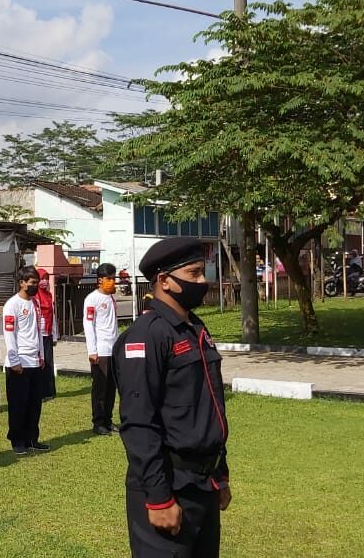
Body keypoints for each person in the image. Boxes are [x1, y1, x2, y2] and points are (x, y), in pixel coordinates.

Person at [114, 237, 231, 558]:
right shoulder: (146, 335)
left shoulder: (194, 328)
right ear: (164, 280)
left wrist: (221, 473)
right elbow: (139, 422)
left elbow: (209, 409)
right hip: (169, 485)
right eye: (193, 273)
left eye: (202, 272)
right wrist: (159, 497)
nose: (202, 281)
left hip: (203, 482)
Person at [3, 266, 48, 455]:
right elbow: (9, 333)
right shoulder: (12, 305)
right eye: (32, 283)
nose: (35, 286)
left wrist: (42, 356)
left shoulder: (35, 303)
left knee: (34, 404)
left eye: (36, 283)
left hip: (34, 361)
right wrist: (14, 361)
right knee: (18, 405)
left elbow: (38, 331)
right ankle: (17, 440)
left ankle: (32, 438)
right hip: (19, 362)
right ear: (22, 283)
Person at [83, 263, 119, 436]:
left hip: (113, 349)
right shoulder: (92, 299)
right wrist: (92, 350)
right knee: (100, 388)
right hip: (101, 350)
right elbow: (89, 325)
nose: (112, 282)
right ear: (100, 280)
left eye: (114, 278)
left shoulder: (111, 298)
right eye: (109, 279)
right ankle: (98, 422)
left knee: (111, 388)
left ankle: (108, 420)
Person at [34, 268, 59, 401]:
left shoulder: (48, 295)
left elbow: (53, 316)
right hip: (38, 334)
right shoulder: (34, 296)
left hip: (48, 333)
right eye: (41, 278)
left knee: (48, 362)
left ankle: (49, 391)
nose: (44, 281)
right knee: (40, 363)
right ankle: (40, 392)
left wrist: (54, 335)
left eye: (46, 278)